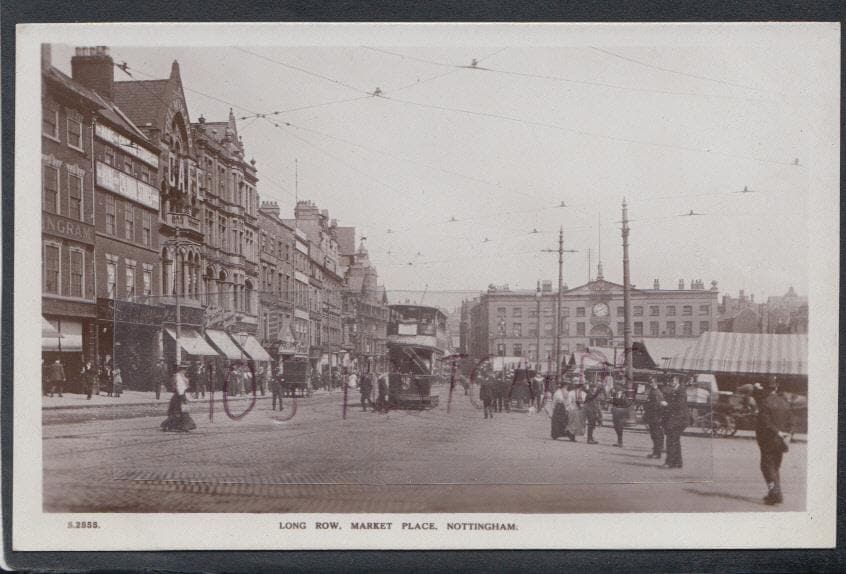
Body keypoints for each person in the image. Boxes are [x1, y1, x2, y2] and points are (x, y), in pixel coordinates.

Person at [753, 379, 792, 505]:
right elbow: (791, 421)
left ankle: (774, 492)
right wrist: (787, 434)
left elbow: (765, 422)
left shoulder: (765, 402)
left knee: (767, 467)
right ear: (776, 388)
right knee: (775, 467)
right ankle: (775, 493)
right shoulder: (784, 402)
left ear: (766, 388)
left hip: (768, 439)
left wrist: (777, 432)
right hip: (781, 440)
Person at [662, 377, 689, 468]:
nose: (670, 383)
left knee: (671, 440)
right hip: (676, 420)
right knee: (675, 440)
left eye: (672, 381)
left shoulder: (681, 391)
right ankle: (677, 462)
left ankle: (670, 462)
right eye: (670, 381)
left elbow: (679, 405)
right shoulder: (675, 390)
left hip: (679, 420)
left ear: (677, 381)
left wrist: (667, 404)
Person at [161, 364, 197, 432]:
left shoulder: (182, 376)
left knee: (181, 412)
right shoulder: (178, 376)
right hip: (179, 396)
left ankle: (177, 426)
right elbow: (179, 387)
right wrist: (182, 397)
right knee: (179, 411)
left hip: (180, 395)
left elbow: (185, 387)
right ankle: (180, 426)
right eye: (185, 369)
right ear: (181, 369)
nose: (185, 371)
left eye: (186, 369)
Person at [644, 378, 667, 459]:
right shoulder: (653, 391)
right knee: (654, 435)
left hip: (655, 416)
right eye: (649, 382)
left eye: (651, 382)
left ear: (655, 383)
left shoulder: (656, 392)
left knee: (656, 435)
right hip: (653, 416)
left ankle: (657, 453)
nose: (650, 384)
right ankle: (656, 452)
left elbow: (657, 406)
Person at [609, 381, 630, 447]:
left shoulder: (624, 396)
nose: (616, 387)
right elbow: (613, 402)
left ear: (621, 388)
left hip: (621, 415)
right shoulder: (615, 395)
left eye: (618, 386)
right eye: (616, 386)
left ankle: (620, 442)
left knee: (620, 428)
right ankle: (618, 441)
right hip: (615, 414)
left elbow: (627, 405)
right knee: (616, 427)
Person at [584, 380, 604, 445]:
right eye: (592, 387)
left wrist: (599, 412)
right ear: (590, 388)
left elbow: (598, 403)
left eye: (595, 387)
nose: (594, 389)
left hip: (595, 411)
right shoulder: (589, 394)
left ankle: (591, 437)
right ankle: (589, 439)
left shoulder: (595, 395)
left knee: (593, 425)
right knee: (591, 425)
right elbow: (587, 403)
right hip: (590, 411)